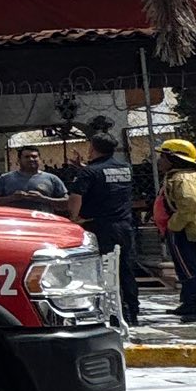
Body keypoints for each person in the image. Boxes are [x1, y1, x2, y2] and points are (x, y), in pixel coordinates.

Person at [65, 133, 139, 325]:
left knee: (103, 270)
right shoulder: (125, 168)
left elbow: (75, 197)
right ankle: (132, 311)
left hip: (100, 227)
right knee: (125, 268)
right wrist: (84, 168)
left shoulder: (88, 173)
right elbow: (105, 177)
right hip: (124, 226)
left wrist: (73, 219)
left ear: (93, 148)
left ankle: (112, 312)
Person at [158, 139, 196, 323]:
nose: (160, 161)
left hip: (184, 230)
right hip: (180, 229)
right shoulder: (178, 176)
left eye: (163, 157)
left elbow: (192, 203)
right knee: (183, 267)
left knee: (189, 267)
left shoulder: (184, 178)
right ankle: (189, 301)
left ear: (174, 159)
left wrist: (174, 224)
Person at [0, 146, 69, 215]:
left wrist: (42, 198)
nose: (31, 159)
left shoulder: (52, 179)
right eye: (27, 157)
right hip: (14, 221)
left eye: (34, 157)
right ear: (19, 160)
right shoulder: (5, 178)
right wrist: (12, 198)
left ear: (40, 159)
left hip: (42, 221)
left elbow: (66, 203)